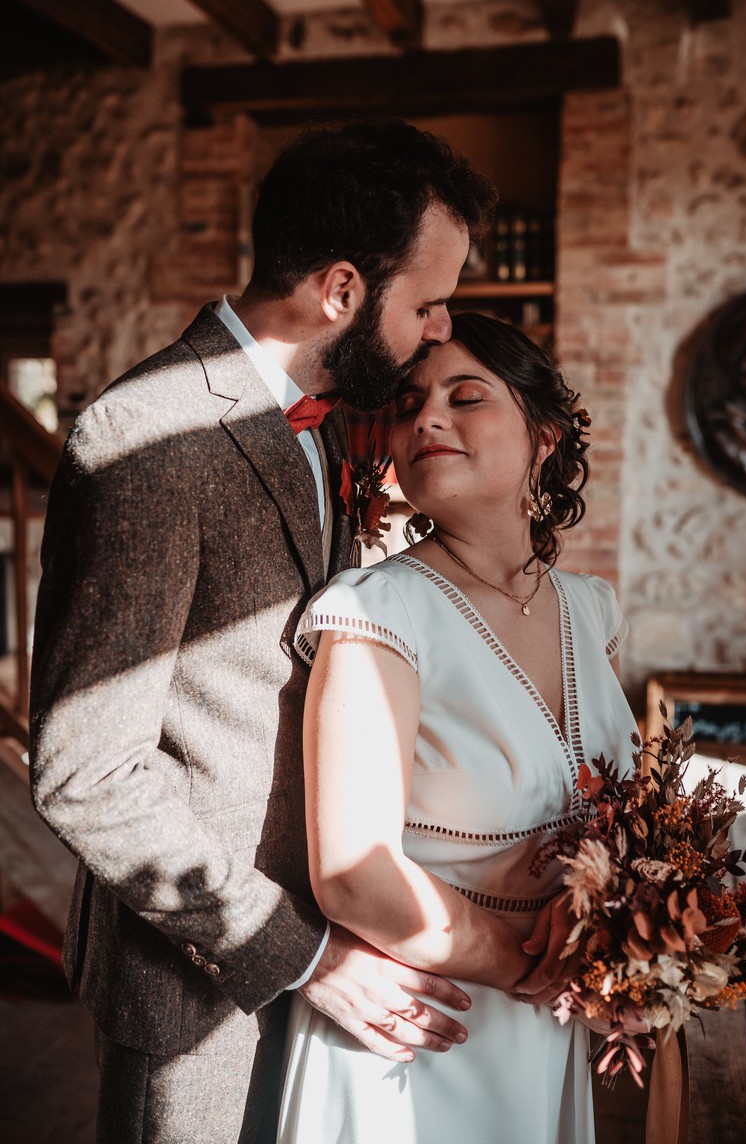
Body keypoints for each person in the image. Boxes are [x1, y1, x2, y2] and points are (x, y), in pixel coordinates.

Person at [27, 121, 497, 1144]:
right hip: (199, 974)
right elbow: (84, 772)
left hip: (336, 934)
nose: (437, 326)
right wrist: (297, 954)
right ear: (338, 292)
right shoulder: (144, 439)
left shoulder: (324, 420)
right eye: (423, 302)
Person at [280, 311, 640, 1143]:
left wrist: (634, 931)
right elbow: (352, 878)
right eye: (407, 405)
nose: (426, 419)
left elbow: (620, 816)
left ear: (545, 435)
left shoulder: (592, 611)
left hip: (547, 1028)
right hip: (417, 1034)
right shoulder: (377, 614)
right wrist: (538, 967)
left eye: (466, 396)